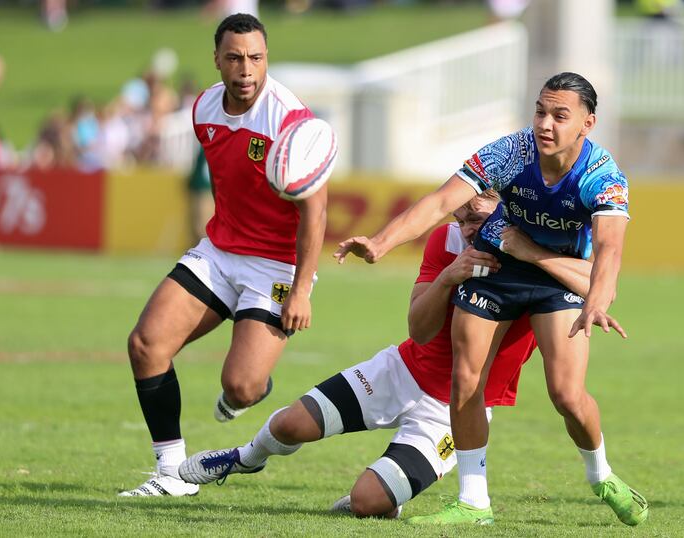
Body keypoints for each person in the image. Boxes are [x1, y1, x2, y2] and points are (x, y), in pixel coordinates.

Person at [335, 72, 648, 526]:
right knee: (465, 380)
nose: (545, 124)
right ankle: (473, 501)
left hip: (556, 275)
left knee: (565, 393)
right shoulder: (511, 151)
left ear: (587, 123)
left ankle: (601, 475)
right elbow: (442, 201)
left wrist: (596, 298)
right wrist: (381, 243)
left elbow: (610, 250)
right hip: (499, 263)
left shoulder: (602, 176)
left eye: (560, 115)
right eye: (541, 111)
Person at [176, 190, 593, 519]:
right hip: (402, 371)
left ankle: (384, 497)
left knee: (365, 502)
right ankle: (245, 458)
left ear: (507, 207)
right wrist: (449, 277)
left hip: (455, 410)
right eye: (460, 217)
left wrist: (538, 260)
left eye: (477, 218)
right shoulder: (445, 242)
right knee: (290, 425)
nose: (466, 229)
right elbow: (419, 329)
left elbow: (594, 282)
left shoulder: (539, 257)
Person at [119, 13, 327, 497]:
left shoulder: (291, 122)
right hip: (219, 252)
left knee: (242, 387)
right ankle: (171, 473)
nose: (246, 69)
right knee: (146, 345)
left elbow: (316, 214)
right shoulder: (203, 110)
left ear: (266, 59)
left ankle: (253, 383)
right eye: (234, 58)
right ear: (217, 60)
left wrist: (301, 290)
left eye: (256, 58)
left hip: (277, 266)